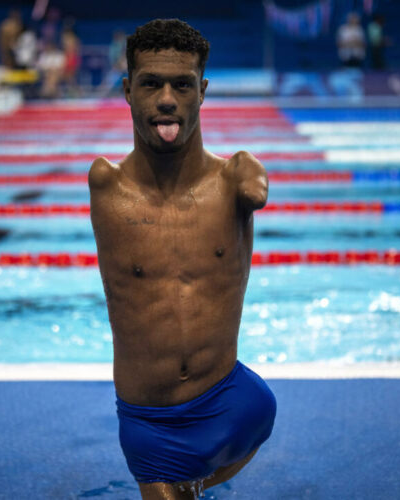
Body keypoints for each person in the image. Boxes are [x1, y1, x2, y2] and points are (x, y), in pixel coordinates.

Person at [88, 19, 276, 499]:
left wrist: (252, 175)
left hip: (233, 400)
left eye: (182, 85)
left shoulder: (235, 178)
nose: (167, 100)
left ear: (203, 91)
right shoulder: (107, 186)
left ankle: (196, 481)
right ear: (128, 90)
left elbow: (250, 178)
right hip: (151, 420)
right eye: (151, 84)